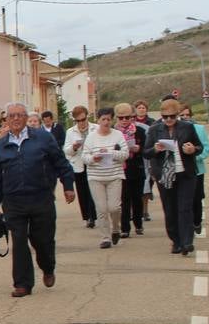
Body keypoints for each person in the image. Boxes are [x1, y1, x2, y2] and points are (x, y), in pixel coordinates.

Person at [0, 103, 76, 297]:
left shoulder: (43, 138)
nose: (16, 119)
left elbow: (61, 162)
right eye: (12, 116)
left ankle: (48, 267)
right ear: (7, 120)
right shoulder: (0, 146)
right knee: (18, 241)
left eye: (20, 115)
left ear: (27, 118)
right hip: (14, 201)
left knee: (42, 240)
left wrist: (68, 186)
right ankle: (22, 283)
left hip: (41, 198)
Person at [143, 98, 203, 255]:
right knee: (170, 209)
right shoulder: (155, 129)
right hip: (165, 175)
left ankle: (187, 242)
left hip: (185, 173)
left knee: (185, 208)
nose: (169, 120)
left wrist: (192, 149)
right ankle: (176, 240)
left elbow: (199, 146)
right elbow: (146, 152)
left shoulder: (187, 127)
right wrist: (155, 149)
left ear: (177, 115)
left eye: (172, 116)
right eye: (165, 116)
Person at [80, 107, 127, 248]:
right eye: (103, 119)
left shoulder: (118, 135)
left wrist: (111, 153)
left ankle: (116, 229)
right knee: (101, 208)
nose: (106, 122)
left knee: (114, 207)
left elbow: (125, 154)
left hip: (114, 175)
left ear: (112, 120)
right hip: (96, 177)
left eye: (108, 119)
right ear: (98, 120)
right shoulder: (91, 136)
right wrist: (93, 158)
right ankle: (105, 237)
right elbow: (84, 156)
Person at [114, 103, 147, 238]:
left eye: (127, 117)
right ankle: (125, 228)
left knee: (137, 198)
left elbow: (147, 149)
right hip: (121, 169)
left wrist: (139, 149)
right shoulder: (114, 133)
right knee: (124, 200)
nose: (124, 120)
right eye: (121, 118)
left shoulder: (139, 131)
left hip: (137, 167)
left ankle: (138, 224)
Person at [63, 106, 98, 228]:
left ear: (87, 117)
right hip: (78, 164)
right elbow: (66, 150)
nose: (81, 123)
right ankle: (87, 216)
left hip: (93, 164)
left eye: (83, 119)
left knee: (93, 191)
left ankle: (93, 216)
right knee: (82, 192)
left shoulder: (96, 128)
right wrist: (74, 147)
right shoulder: (70, 132)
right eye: (78, 121)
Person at [179, 104, 209, 233]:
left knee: (197, 197)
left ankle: (197, 222)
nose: (185, 117)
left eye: (187, 115)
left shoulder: (199, 129)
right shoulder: (176, 130)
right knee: (184, 198)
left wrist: (194, 156)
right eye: (182, 115)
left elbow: (206, 148)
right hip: (181, 170)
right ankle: (186, 223)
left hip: (197, 169)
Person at [135, 99, 155, 221]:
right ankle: (138, 210)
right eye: (139, 107)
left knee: (147, 186)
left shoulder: (151, 122)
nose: (141, 109)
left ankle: (145, 210)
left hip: (147, 155)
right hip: (136, 157)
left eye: (143, 107)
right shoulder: (130, 122)